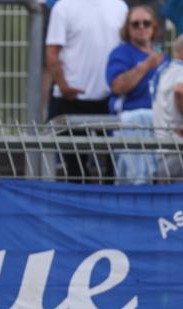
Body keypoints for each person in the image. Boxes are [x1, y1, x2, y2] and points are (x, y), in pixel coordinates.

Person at [46, 0, 128, 181]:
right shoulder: (63, 7)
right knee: (76, 168)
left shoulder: (119, 6)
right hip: (72, 97)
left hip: (110, 98)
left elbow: (127, 47)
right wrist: (63, 86)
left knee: (114, 165)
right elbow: (52, 51)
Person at [107, 4, 167, 183]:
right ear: (128, 28)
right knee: (134, 178)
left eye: (146, 23)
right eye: (135, 24)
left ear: (154, 26)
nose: (141, 27)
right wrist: (146, 66)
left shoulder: (162, 56)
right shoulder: (121, 53)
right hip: (132, 124)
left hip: (162, 126)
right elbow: (117, 86)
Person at [153, 35, 183, 177]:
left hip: (164, 151)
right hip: (178, 150)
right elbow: (179, 91)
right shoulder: (180, 70)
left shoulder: (166, 70)